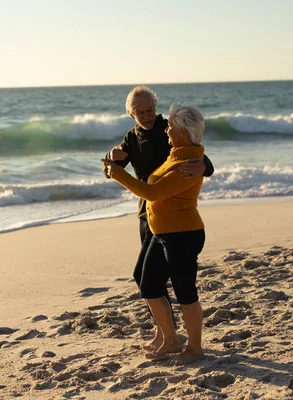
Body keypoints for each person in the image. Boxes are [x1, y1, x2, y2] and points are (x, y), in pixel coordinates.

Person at [102, 86, 213, 352]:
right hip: (148, 214)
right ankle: (165, 333)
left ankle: (179, 339)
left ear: (156, 108)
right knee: (147, 279)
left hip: (173, 218)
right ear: (131, 114)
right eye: (140, 112)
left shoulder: (172, 128)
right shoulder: (131, 138)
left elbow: (196, 153)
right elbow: (112, 166)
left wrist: (206, 167)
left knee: (173, 283)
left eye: (150, 110)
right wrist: (110, 160)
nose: (147, 115)